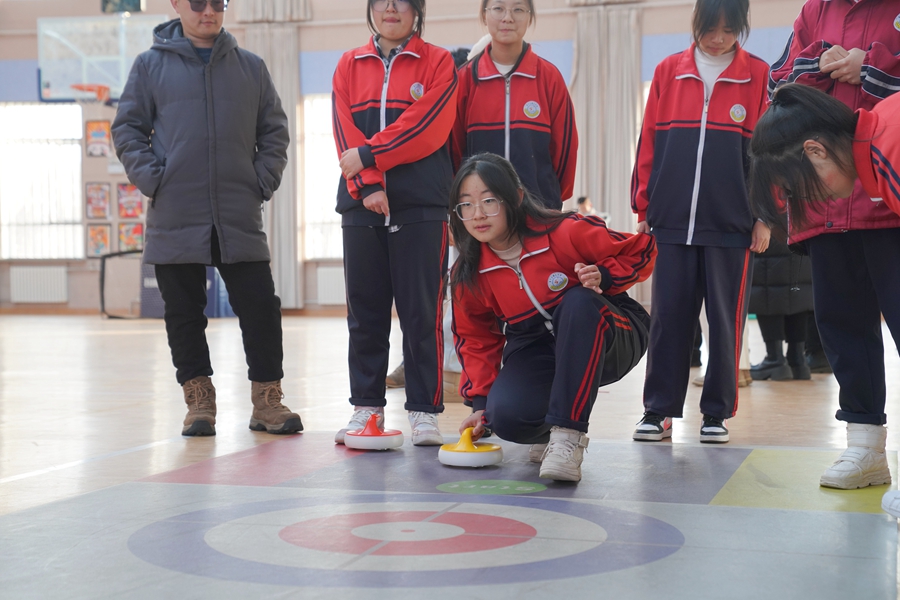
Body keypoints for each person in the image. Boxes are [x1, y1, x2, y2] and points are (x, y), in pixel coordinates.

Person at [111, 0, 303, 437]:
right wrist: (155, 180)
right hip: (176, 209)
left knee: (260, 309)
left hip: (238, 211)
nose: (209, 11)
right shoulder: (148, 66)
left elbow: (274, 130)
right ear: (177, 4)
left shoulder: (250, 68)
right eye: (198, 3)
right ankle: (199, 402)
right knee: (183, 312)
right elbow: (126, 129)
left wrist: (260, 181)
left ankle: (267, 401)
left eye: (218, 3)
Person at [450, 153, 656, 482]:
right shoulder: (469, 274)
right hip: (536, 344)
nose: (478, 215)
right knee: (504, 416)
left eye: (489, 201)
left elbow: (643, 250)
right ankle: (547, 433)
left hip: (610, 331)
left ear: (515, 197)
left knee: (576, 302)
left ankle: (568, 436)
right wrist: (480, 403)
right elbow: (477, 338)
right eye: (466, 205)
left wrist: (605, 275)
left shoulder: (565, 231)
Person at [766, 0, 900, 491]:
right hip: (823, 198)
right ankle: (864, 447)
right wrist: (820, 61)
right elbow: (777, 87)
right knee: (841, 326)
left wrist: (873, 64)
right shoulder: (813, 12)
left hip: (888, 196)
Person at [630, 0, 771, 444]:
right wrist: (643, 207)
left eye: (730, 30)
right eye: (712, 28)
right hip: (670, 221)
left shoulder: (758, 75)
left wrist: (764, 215)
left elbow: (767, 157)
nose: (719, 38)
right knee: (668, 318)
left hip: (732, 224)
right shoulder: (669, 71)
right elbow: (648, 141)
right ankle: (658, 410)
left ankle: (716, 413)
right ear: (697, 23)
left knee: (725, 322)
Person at [331, 0, 457, 446]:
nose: (390, 7)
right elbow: (344, 131)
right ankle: (366, 408)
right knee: (364, 312)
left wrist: (370, 155)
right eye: (381, 0)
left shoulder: (439, 62)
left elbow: (428, 126)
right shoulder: (349, 64)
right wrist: (367, 185)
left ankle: (424, 410)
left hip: (421, 204)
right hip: (360, 205)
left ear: (416, 10)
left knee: (421, 311)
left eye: (402, 0)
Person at [452, 0, 578, 210]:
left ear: (530, 17)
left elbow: (565, 151)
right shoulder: (465, 80)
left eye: (518, 9)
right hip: (481, 213)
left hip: (539, 210)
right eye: (498, 8)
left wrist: (548, 196)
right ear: (484, 15)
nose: (507, 17)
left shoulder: (549, 78)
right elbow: (453, 151)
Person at [748, 238, 814, 381]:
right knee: (798, 294)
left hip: (772, 234)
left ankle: (775, 359)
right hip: (799, 233)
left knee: (768, 292)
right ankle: (798, 361)